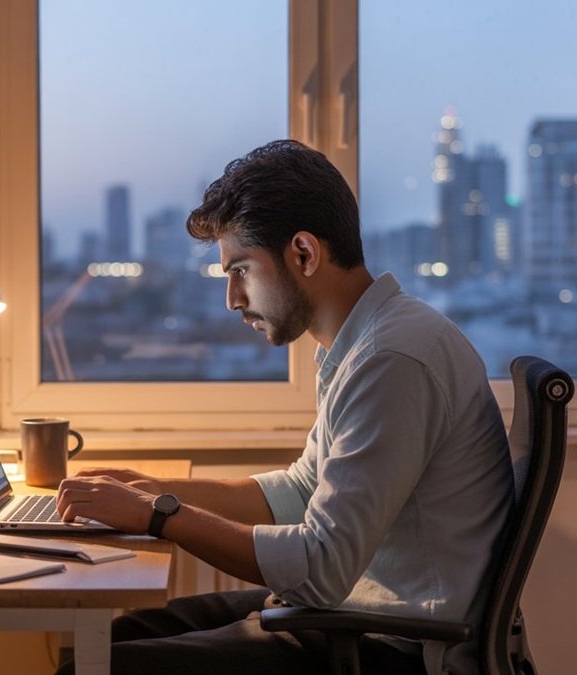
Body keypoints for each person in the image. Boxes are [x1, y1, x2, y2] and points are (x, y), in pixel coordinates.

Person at [55, 139, 513, 675]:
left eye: (241, 270)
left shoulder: (393, 358)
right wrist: (154, 490)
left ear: (303, 253)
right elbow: (302, 490)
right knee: (114, 640)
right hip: (359, 613)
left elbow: (320, 568)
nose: (231, 299)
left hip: (396, 647)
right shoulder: (364, 342)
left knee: (91, 669)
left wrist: (160, 517)